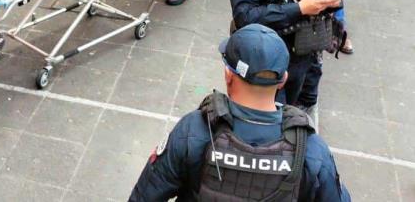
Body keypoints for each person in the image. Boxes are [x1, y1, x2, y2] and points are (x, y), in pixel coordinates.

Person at [129, 24, 351, 201]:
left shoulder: (193, 131)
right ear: (283, 80)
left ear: (228, 74)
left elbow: (145, 195)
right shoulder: (311, 149)